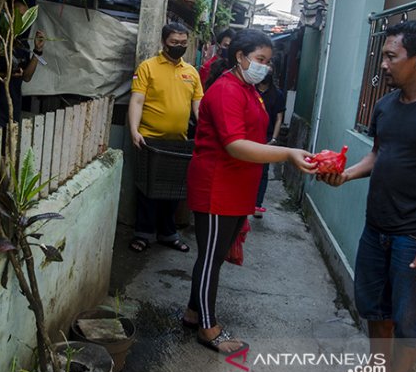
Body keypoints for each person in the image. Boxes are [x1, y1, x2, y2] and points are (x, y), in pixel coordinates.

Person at [318, 21, 416, 372]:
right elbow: (378, 155)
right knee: (374, 306)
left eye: (391, 56)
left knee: (408, 317)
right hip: (377, 227)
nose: (383, 64)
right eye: (383, 55)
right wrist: (346, 175)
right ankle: (378, 367)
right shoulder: (386, 105)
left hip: (414, 235)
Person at [181, 29, 316, 354]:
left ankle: (193, 312)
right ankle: (208, 328)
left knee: (215, 257)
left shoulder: (248, 89)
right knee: (211, 258)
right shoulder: (228, 90)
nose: (265, 67)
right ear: (240, 57)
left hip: (236, 186)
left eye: (268, 62)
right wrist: (287, 154)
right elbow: (236, 145)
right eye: (260, 60)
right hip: (217, 186)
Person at [128, 22, 203, 254]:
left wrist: (206, 133)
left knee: (174, 191)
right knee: (148, 191)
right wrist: (134, 130)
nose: (179, 47)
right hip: (149, 140)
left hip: (179, 142)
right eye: (174, 43)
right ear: (163, 42)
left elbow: (199, 107)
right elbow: (137, 100)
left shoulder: (191, 72)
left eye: (183, 43)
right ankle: (143, 234)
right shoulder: (147, 67)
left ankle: (168, 234)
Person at [0, 1, 46, 128]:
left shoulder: (22, 45)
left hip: (11, 109)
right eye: (19, 16)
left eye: (26, 17)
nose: (22, 21)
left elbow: (27, 77)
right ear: (8, 15)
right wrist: (5, 75)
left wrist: (37, 51)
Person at [253, 68, 285, 218]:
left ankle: (257, 205)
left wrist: (274, 139)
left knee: (263, 172)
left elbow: (279, 118)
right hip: (250, 135)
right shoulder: (250, 90)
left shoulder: (277, 95)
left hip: (266, 137)